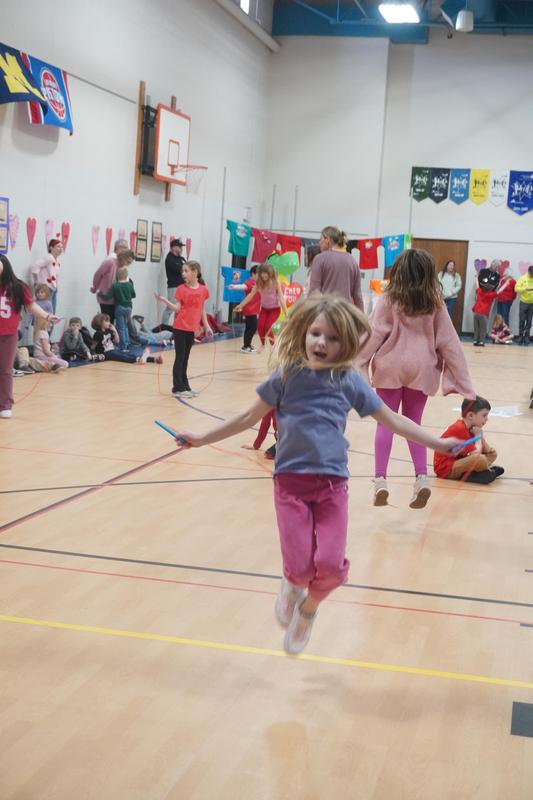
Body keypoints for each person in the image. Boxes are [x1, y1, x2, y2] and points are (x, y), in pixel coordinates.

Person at [173, 294, 464, 655]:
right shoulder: (286, 377)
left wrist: (436, 442)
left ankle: (308, 611)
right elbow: (248, 418)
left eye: (332, 338)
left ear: (346, 344)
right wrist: (201, 438)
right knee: (298, 567)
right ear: (304, 333)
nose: (321, 343)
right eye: (316, 334)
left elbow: (395, 420)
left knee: (329, 566)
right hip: (290, 487)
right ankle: (292, 585)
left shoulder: (349, 381)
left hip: (332, 487)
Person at [356, 248, 475, 509]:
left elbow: (374, 334)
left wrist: (359, 363)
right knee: (414, 424)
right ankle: (421, 478)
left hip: (390, 366)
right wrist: (467, 388)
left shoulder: (389, 299)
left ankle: (380, 480)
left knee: (385, 424)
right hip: (422, 369)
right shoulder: (435, 303)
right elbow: (450, 343)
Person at [0, 255, 61, 417]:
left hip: (8, 335)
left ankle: (5, 404)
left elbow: (31, 305)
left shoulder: (18, 287)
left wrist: (47, 316)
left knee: (5, 370)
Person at [154, 260, 213, 397]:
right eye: (182, 271)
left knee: (186, 357)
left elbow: (202, 309)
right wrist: (164, 300)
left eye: (186, 271)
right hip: (180, 327)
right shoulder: (181, 289)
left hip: (191, 329)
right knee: (180, 357)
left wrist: (207, 326)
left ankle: (185, 386)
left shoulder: (203, 290)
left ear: (195, 273)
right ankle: (177, 388)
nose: (183, 274)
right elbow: (177, 308)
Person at [434, 396, 504, 485]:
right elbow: (477, 455)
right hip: (445, 469)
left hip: (459, 461)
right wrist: (478, 437)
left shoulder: (472, 428)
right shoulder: (459, 428)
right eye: (484, 415)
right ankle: (477, 474)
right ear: (470, 415)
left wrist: (480, 437)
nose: (487, 419)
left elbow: (487, 451)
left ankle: (481, 472)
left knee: (492, 453)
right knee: (480, 459)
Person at [308, 226, 363, 310]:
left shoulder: (319, 259)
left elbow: (314, 293)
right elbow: (358, 295)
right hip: (346, 315)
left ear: (327, 240)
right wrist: (361, 319)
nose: (319, 243)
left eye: (320, 239)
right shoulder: (353, 261)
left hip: (326, 314)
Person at [234, 262, 287, 349]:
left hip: (275, 309)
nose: (264, 275)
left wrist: (286, 313)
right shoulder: (259, 283)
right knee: (260, 326)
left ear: (271, 273)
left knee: (267, 326)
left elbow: (281, 297)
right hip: (264, 309)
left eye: (266, 273)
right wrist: (240, 305)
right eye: (262, 273)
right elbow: (250, 296)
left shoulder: (275, 282)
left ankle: (273, 345)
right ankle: (263, 345)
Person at [91, 313, 163, 364]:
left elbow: (117, 341)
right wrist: (94, 356)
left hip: (112, 350)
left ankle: (154, 359)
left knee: (128, 354)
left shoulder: (108, 331)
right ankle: (139, 360)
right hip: (105, 353)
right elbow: (93, 346)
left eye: (109, 321)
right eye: (106, 321)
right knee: (122, 357)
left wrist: (115, 331)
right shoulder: (97, 334)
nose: (109, 323)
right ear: (100, 323)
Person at [90, 240, 130, 322]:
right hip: (107, 298)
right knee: (108, 321)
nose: (127, 250)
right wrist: (95, 288)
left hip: (118, 299)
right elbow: (98, 274)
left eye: (127, 248)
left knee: (118, 323)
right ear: (118, 248)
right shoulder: (110, 261)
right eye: (124, 248)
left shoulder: (122, 262)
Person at [99, 266, 136, 351]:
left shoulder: (115, 285)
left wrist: (100, 293)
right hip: (129, 308)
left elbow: (107, 296)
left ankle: (122, 346)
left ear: (117, 276)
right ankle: (127, 343)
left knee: (121, 327)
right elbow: (134, 295)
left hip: (120, 307)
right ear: (127, 275)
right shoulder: (129, 284)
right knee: (126, 326)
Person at [229, 265, 260, 353]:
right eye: (258, 273)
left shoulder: (259, 284)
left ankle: (247, 344)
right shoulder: (250, 282)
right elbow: (242, 286)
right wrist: (234, 287)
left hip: (255, 309)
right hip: (249, 308)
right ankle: (246, 346)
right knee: (253, 327)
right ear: (253, 274)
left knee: (249, 327)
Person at [472, 267, 505, 346]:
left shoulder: (480, 292)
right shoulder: (490, 295)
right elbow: (499, 291)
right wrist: (505, 284)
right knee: (483, 328)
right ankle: (481, 341)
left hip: (476, 313)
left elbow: (477, 285)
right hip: (483, 314)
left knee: (476, 328)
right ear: (490, 289)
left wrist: (476, 277)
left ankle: (475, 340)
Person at [31, 238, 63, 314]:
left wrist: (56, 286)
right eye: (58, 247)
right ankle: (43, 325)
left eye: (61, 247)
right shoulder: (49, 257)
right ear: (51, 248)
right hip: (46, 288)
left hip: (53, 288)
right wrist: (36, 281)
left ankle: (49, 325)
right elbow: (36, 265)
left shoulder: (57, 261)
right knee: (46, 312)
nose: (60, 249)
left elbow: (55, 275)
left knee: (52, 311)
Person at [162, 239, 186, 326]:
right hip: (174, 287)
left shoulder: (180, 259)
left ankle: (178, 325)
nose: (181, 249)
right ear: (174, 247)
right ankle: (164, 326)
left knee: (181, 308)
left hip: (182, 287)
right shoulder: (170, 259)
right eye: (180, 247)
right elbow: (180, 270)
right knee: (170, 308)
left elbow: (186, 269)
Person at [515, 264, 533, 345]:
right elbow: (516, 289)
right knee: (522, 320)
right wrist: (525, 289)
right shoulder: (522, 278)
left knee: (529, 321)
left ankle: (526, 337)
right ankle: (520, 336)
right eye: (531, 273)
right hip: (523, 302)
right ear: (529, 271)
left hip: (532, 303)